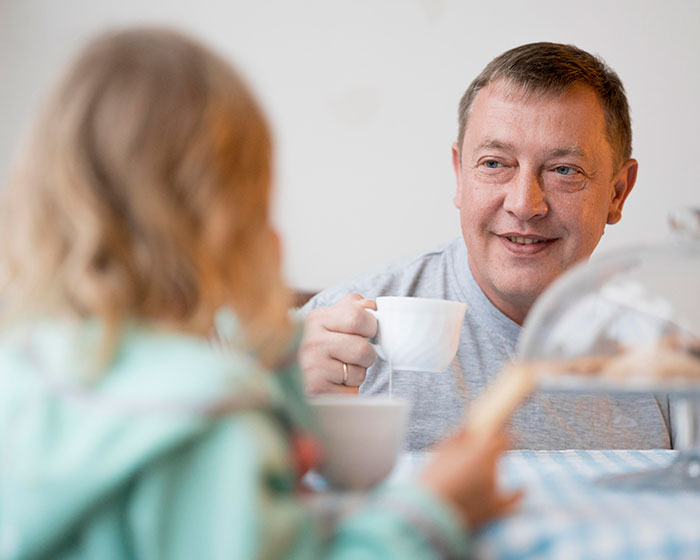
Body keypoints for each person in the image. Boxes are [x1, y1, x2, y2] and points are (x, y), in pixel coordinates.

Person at [0, 27, 520, 560]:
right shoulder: (209, 418)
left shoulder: (21, 368)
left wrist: (272, 356)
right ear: (233, 226)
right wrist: (437, 510)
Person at [299, 42, 673, 452]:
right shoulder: (331, 336)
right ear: (460, 174)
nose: (524, 205)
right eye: (495, 163)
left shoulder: (673, 356)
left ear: (617, 193)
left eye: (565, 170)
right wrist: (283, 407)